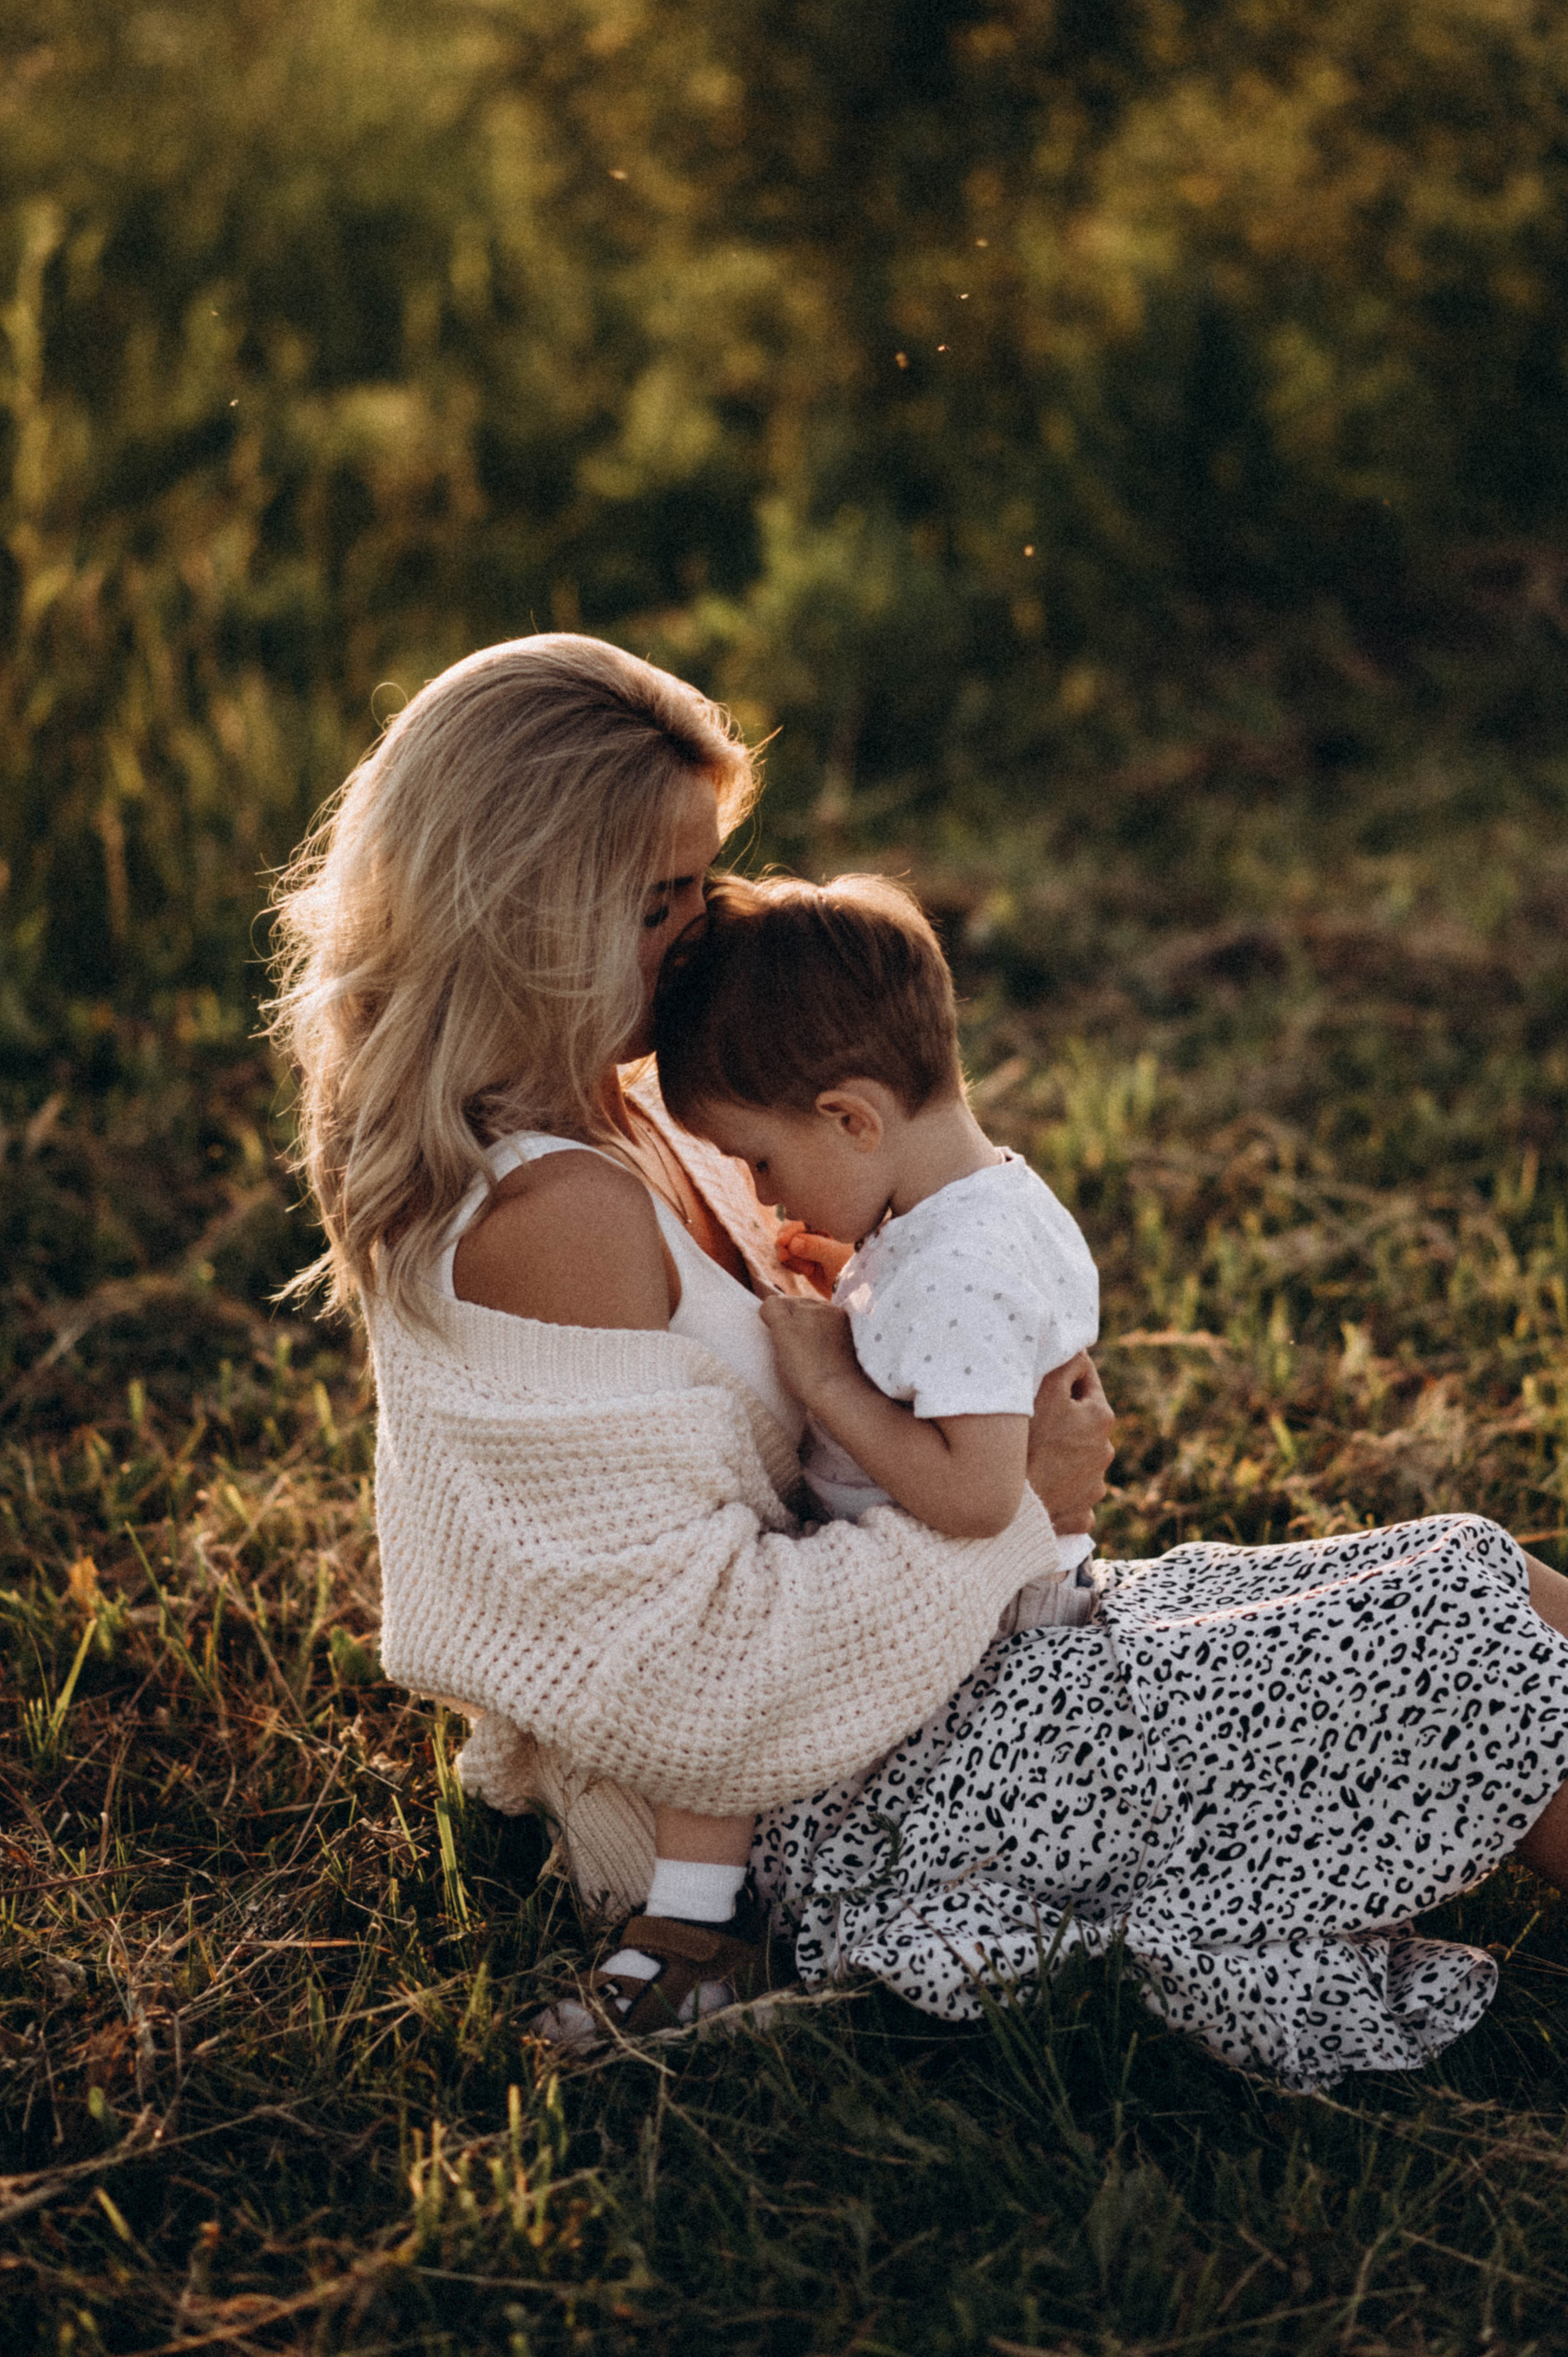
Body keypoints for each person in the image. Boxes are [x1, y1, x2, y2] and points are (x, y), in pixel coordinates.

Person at [270, 630, 1568, 2092]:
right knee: (1446, 1641)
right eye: (657, 902)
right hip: (811, 1801)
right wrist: (1018, 1497)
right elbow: (698, 1677)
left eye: (700, 881)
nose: (701, 933)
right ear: (524, 910)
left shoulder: (624, 1103)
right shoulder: (551, 1215)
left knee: (1472, 1569)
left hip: (906, 1682)